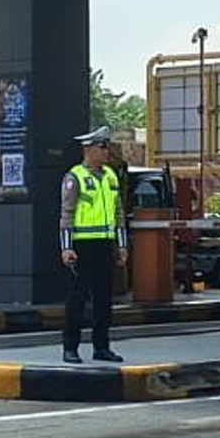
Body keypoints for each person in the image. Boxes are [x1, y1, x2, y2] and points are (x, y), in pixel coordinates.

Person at [60, 126, 127, 364]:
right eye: (102, 147)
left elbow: (118, 213)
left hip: (105, 245)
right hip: (82, 246)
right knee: (76, 299)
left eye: (106, 147)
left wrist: (121, 245)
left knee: (104, 299)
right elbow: (66, 214)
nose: (106, 151)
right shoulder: (75, 176)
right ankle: (70, 348)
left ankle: (102, 347)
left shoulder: (111, 176)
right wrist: (66, 247)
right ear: (88, 149)